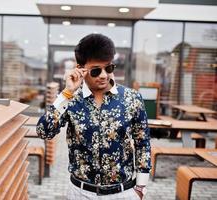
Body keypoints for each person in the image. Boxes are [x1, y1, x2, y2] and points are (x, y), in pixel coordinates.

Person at [36, 33, 151, 200]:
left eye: (109, 68)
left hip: (123, 193)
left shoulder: (132, 98)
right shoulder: (71, 100)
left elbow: (142, 142)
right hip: (80, 193)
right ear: (81, 69)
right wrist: (66, 93)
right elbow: (43, 132)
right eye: (96, 70)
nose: (104, 75)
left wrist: (141, 187)